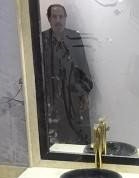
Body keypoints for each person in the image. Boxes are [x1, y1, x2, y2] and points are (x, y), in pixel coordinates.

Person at [42, 4, 94, 145]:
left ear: (65, 18)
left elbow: (83, 65)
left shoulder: (74, 37)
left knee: (77, 138)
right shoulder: (42, 39)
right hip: (51, 99)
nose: (58, 20)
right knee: (54, 140)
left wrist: (84, 94)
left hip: (73, 96)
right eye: (54, 17)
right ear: (49, 18)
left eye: (61, 17)